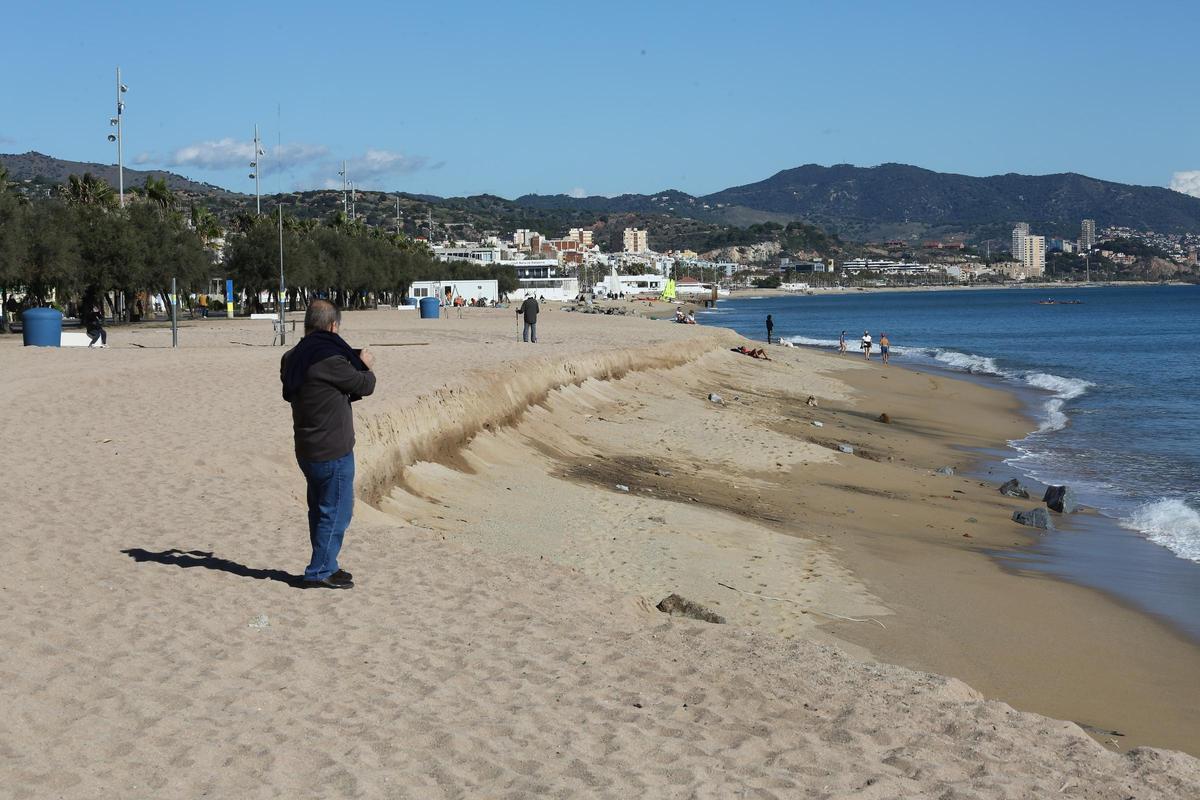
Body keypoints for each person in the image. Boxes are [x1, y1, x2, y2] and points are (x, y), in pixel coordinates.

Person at [280, 300, 376, 589]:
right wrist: (366, 365)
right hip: (331, 449)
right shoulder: (330, 360)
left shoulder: (292, 357)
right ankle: (320, 569)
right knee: (337, 511)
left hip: (307, 447)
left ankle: (327, 563)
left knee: (320, 509)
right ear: (333, 326)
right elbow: (364, 385)